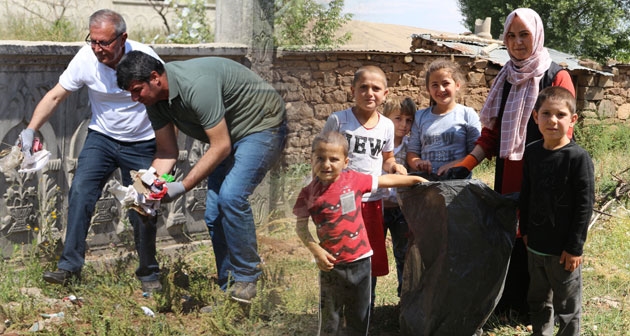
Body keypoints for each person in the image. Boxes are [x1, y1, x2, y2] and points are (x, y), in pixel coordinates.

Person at [115, 50, 287, 304]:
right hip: (230, 134)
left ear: (155, 78)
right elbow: (166, 152)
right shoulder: (156, 102)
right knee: (214, 212)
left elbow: (220, 147)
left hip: (262, 126)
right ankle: (230, 290)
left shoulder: (196, 86)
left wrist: (181, 187)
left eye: (136, 90)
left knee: (231, 197)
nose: (134, 98)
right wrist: (145, 189)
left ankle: (247, 277)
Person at [17, 9, 164, 292]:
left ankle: (149, 275)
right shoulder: (86, 58)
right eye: (92, 41)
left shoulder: (146, 58)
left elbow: (167, 100)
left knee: (142, 208)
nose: (97, 49)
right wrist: (30, 129)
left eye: (104, 43)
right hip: (102, 139)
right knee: (81, 192)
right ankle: (69, 268)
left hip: (143, 142)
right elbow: (56, 94)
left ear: (123, 38)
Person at [448, 8, 576, 319]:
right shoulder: (506, 77)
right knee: (511, 234)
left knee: (541, 236)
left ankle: (543, 308)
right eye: (511, 35)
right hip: (510, 170)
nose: (517, 42)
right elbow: (492, 134)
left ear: (537, 35)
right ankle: (510, 302)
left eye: (524, 34)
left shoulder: (555, 75)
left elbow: (565, 133)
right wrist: (466, 163)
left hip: (545, 174)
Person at [293, 131, 427, 336]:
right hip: (331, 265)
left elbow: (384, 181)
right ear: (311, 159)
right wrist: (316, 251)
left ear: (346, 162)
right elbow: (300, 227)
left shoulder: (354, 180)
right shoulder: (308, 194)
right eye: (320, 158)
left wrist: (413, 179)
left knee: (359, 314)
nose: (326, 164)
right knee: (331, 318)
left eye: (334, 159)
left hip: (361, 262)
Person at [320, 65, 407, 307]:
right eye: (363, 87)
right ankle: (338, 307)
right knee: (341, 253)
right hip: (342, 203)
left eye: (376, 88)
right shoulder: (338, 120)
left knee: (366, 255)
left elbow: (387, 157)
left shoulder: (387, 126)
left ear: (385, 94)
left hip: (371, 201)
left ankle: (365, 305)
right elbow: (320, 157)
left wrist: (394, 167)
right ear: (352, 91)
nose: (370, 93)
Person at [520, 86, 594, 335]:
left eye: (560, 115)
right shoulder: (531, 152)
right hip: (535, 246)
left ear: (573, 119)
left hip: (563, 252)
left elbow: (584, 206)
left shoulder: (577, 158)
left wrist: (575, 247)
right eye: (546, 113)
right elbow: (527, 194)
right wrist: (526, 230)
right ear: (535, 117)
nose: (552, 120)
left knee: (567, 305)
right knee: (538, 299)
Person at [406, 59, 481, 178]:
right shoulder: (420, 117)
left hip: (458, 183)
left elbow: (476, 153)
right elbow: (412, 152)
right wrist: (418, 163)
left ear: (457, 85)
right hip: (427, 184)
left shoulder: (467, 115)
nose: (441, 89)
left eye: (445, 83)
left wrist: (455, 165)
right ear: (428, 90)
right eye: (435, 85)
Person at [381, 97, 416, 297]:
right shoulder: (378, 144)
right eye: (398, 118)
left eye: (408, 120)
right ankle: (368, 301)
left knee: (404, 254)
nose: (403, 125)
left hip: (401, 209)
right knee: (374, 254)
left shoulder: (410, 146)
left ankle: (405, 297)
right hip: (379, 206)